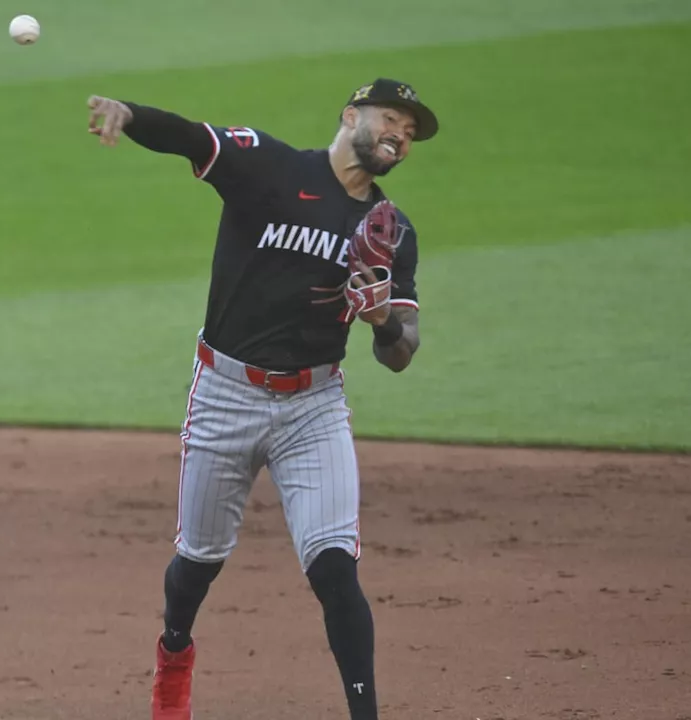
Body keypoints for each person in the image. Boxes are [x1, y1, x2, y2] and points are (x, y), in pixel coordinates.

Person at [84, 78, 438, 720]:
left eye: (410, 133)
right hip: (225, 392)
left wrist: (383, 319)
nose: (400, 137)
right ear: (351, 115)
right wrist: (129, 114)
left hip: (315, 405)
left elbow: (400, 351)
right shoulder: (270, 166)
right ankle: (174, 653)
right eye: (392, 120)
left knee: (335, 569)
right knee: (197, 561)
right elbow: (190, 137)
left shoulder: (388, 230)